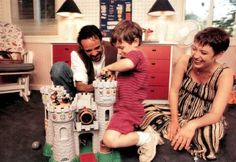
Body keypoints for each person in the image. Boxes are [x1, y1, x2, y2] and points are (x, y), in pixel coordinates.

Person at [139, 27, 234, 160]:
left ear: (219, 54)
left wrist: (191, 125)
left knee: (211, 133)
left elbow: (216, 114)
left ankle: (165, 133)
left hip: (204, 119)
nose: (196, 55)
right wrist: (174, 121)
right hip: (178, 112)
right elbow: (173, 91)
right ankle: (180, 135)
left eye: (203, 52)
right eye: (194, 49)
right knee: (142, 110)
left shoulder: (225, 74)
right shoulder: (184, 61)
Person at [100, 20, 163, 162]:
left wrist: (109, 67)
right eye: (118, 48)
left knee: (110, 140)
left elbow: (128, 64)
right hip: (122, 107)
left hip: (128, 110)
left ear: (135, 42)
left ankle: (147, 138)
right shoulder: (128, 58)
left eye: (122, 47)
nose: (120, 51)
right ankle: (142, 133)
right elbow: (125, 81)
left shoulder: (137, 55)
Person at [50, 25, 117, 97]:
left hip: (110, 93)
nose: (94, 53)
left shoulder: (114, 48)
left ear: (101, 41)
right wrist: (100, 84)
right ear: (82, 48)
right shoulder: (77, 54)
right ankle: (69, 101)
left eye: (97, 47)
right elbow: (81, 86)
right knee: (58, 68)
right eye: (88, 50)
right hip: (85, 93)